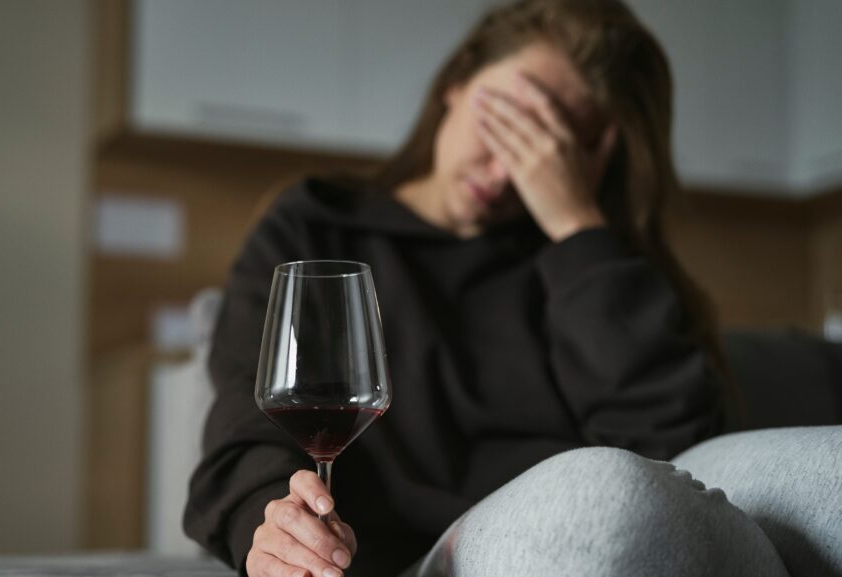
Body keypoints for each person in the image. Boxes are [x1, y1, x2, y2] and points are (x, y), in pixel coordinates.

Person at [183, 1, 841, 576]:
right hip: (480, 545)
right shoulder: (316, 225)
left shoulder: (587, 262)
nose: (505, 172)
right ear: (457, 79)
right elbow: (248, 426)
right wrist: (271, 525)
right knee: (606, 492)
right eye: (509, 121)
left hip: (638, 534)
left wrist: (577, 225)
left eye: (553, 151)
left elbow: (679, 454)